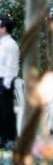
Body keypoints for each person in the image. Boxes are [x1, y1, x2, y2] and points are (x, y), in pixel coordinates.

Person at [0, 16, 20, 146]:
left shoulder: (10, 45)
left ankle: (9, 140)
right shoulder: (2, 44)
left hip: (4, 82)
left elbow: (12, 66)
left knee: (6, 112)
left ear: (4, 29)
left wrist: (5, 85)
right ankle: (5, 139)